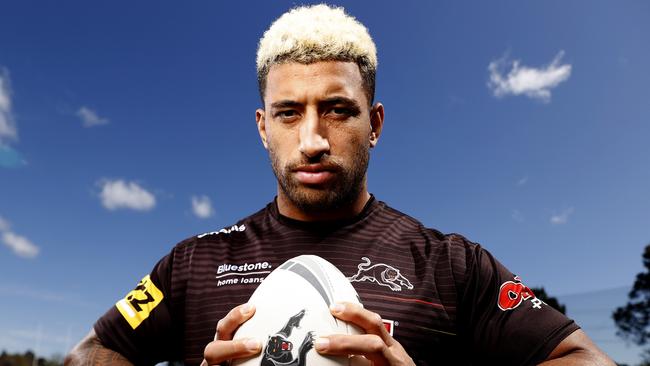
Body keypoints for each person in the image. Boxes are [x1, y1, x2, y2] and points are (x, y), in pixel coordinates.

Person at [66, 4, 614, 366]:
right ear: (262, 127)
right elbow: (93, 350)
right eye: (287, 114)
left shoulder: (453, 265)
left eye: (336, 110)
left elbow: (585, 358)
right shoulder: (192, 264)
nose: (312, 140)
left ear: (373, 124)